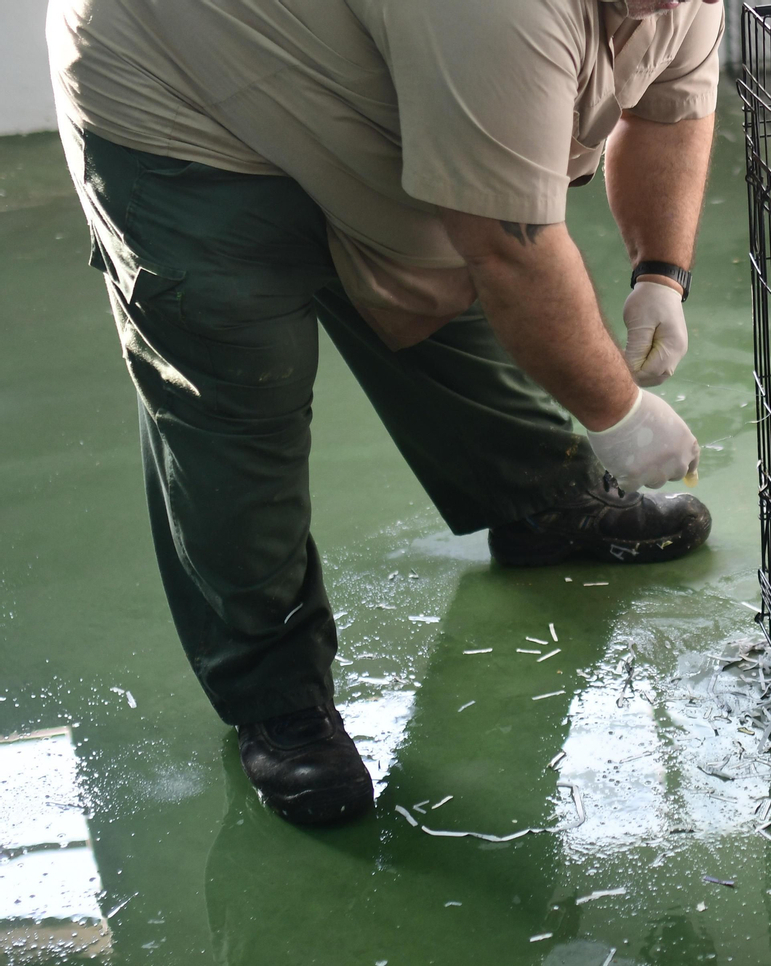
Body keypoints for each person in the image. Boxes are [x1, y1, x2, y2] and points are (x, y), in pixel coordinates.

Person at [47, 0, 723, 825]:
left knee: (446, 290)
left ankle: (541, 503)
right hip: (182, 83)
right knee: (237, 385)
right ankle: (277, 695)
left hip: (351, 69)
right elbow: (511, 249)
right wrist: (619, 414)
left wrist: (662, 271)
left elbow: (671, 111)